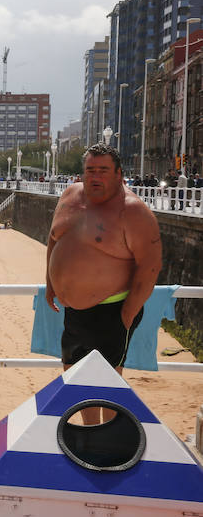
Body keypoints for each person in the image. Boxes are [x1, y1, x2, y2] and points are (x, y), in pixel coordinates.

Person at [45, 143, 161, 424]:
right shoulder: (71, 194)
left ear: (119, 174)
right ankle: (90, 437)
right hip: (74, 311)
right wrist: (50, 284)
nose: (95, 176)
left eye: (103, 171)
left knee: (107, 386)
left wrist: (127, 313)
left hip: (112, 310)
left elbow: (151, 266)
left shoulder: (132, 211)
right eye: (90, 170)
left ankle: (109, 443)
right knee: (76, 380)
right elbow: (53, 237)